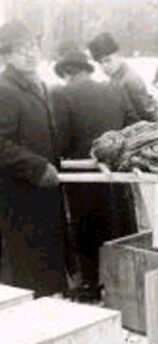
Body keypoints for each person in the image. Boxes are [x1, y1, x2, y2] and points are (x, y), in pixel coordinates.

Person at [53, 47, 138, 301]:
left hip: (84, 178)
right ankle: (125, 284)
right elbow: (134, 126)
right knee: (119, 225)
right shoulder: (115, 89)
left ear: (67, 72)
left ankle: (92, 285)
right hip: (117, 173)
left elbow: (61, 139)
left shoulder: (62, 94)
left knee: (87, 230)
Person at [0, 20, 67, 296]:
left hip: (42, 195)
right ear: (7, 54)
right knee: (27, 273)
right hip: (19, 199)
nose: (30, 53)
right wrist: (38, 166)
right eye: (21, 49)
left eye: (32, 46)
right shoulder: (5, 89)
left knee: (46, 268)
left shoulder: (34, 85)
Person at [88, 32, 158, 122]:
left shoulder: (129, 80)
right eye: (100, 63)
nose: (104, 66)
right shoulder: (117, 78)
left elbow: (148, 115)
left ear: (119, 56)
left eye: (107, 60)